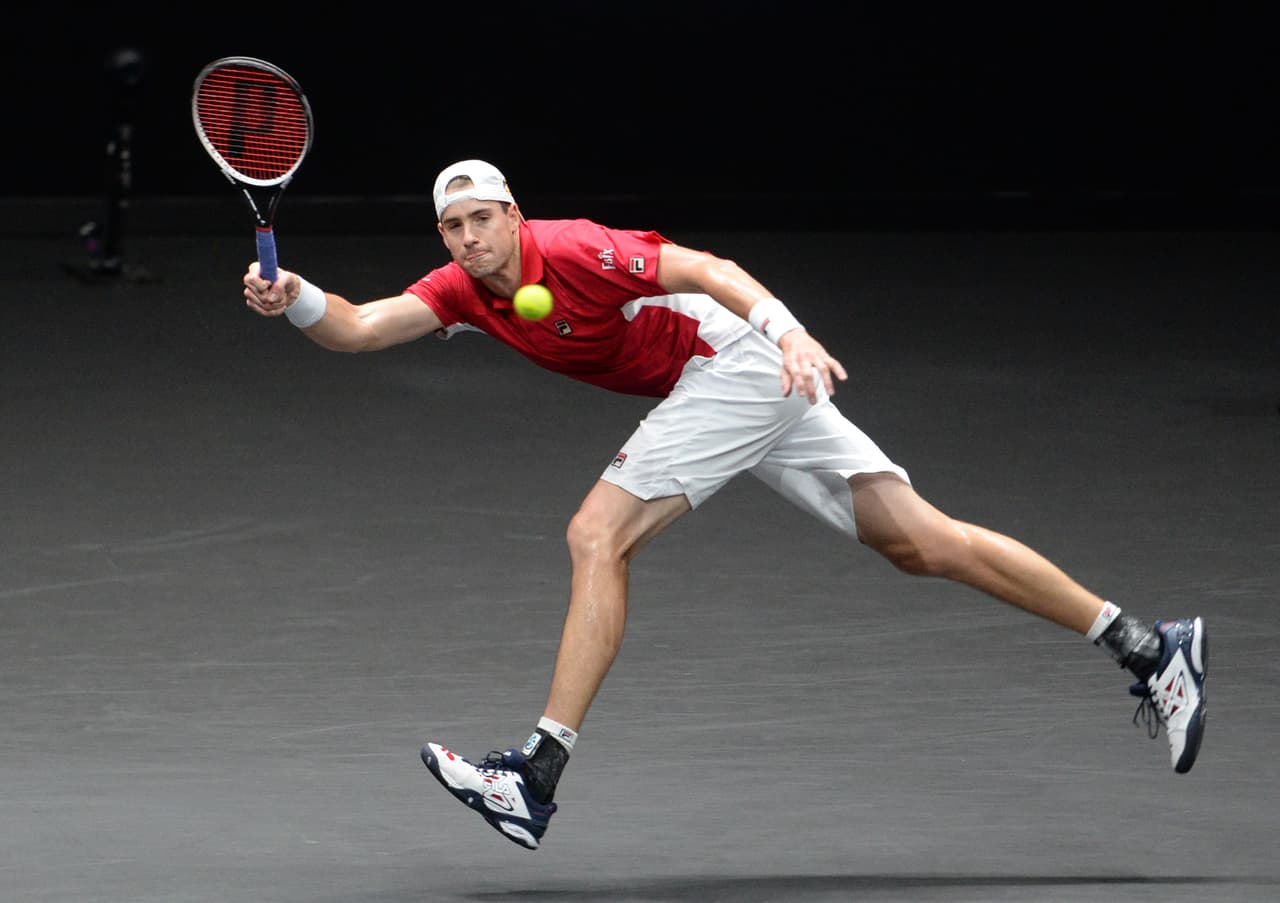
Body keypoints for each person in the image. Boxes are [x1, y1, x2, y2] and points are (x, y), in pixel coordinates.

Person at [242, 159, 1208, 851]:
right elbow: (363, 327)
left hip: (737, 363)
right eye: (452, 227)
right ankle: (1147, 646)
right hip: (722, 389)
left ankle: (533, 775)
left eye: (481, 219)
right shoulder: (464, 290)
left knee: (597, 534)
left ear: (513, 214)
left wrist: (787, 333)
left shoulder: (576, 249)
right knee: (923, 543)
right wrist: (292, 298)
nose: (467, 238)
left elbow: (706, 268)